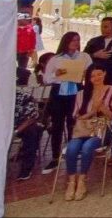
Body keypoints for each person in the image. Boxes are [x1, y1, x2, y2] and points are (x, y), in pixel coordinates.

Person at [62, 66, 112, 201]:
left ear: (104, 74)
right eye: (93, 76)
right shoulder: (82, 93)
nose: (96, 78)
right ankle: (71, 182)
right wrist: (90, 113)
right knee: (72, 148)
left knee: (88, 147)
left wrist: (100, 107)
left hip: (101, 130)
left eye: (99, 74)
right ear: (89, 78)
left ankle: (82, 181)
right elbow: (76, 115)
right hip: (83, 129)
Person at [42, 32, 93, 174]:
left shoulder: (84, 57)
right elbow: (46, 79)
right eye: (72, 40)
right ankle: (55, 157)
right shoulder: (56, 58)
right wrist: (56, 75)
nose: (75, 43)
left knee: (74, 123)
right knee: (58, 124)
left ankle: (73, 152)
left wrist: (84, 75)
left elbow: (91, 73)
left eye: (78, 40)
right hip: (59, 92)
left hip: (76, 91)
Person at [12, 68, 42, 181]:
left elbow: (31, 117)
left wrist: (16, 131)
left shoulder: (24, 96)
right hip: (3, 127)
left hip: (22, 125)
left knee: (32, 131)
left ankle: (26, 169)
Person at [84, 16, 112, 86]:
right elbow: (83, 56)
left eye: (105, 27)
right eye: (101, 27)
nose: (102, 29)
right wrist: (95, 55)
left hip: (110, 77)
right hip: (93, 76)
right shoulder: (93, 41)